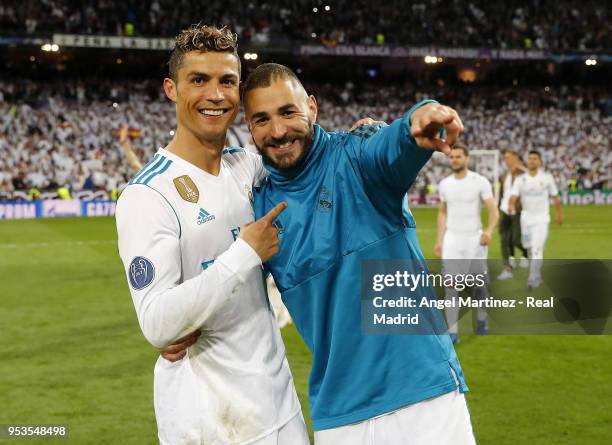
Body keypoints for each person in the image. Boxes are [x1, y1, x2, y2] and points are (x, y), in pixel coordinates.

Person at [243, 63, 476, 445]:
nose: (278, 130)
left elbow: (392, 148)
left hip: (424, 399)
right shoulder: (257, 207)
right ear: (250, 128)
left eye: (288, 112)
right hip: (340, 415)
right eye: (262, 119)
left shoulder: (357, 158)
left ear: (312, 108)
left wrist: (418, 119)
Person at [115, 25, 309, 445]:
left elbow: (303, 152)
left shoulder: (249, 167)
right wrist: (244, 254)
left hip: (279, 406)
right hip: (209, 424)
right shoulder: (147, 195)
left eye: (227, 81)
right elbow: (158, 324)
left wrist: (368, 133)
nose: (216, 95)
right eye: (198, 80)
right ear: (171, 88)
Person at [434, 143, 499, 343]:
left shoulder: (480, 182)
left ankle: (481, 320)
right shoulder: (444, 184)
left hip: (474, 239)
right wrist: (439, 239)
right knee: (451, 286)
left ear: (467, 158)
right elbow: (443, 212)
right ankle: (453, 331)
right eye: (452, 157)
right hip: (452, 239)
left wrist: (488, 231)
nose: (454, 160)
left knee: (478, 286)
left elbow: (493, 211)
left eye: (458, 156)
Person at [509, 150, 563, 289]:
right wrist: (510, 205)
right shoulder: (521, 179)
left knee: (537, 249)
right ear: (527, 161)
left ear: (540, 162)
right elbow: (514, 195)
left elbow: (555, 197)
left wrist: (558, 214)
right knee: (529, 247)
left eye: (535, 158)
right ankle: (538, 275)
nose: (532, 161)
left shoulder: (546, 178)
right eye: (530, 158)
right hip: (526, 218)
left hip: (541, 219)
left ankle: (532, 279)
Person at [497, 149, 528, 280]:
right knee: (504, 239)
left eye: (508, 157)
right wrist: (498, 207)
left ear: (516, 157)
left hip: (518, 211)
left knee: (516, 239)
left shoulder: (523, 173)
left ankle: (526, 252)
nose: (506, 160)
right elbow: (502, 193)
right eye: (505, 158)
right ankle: (507, 268)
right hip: (504, 210)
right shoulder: (504, 175)